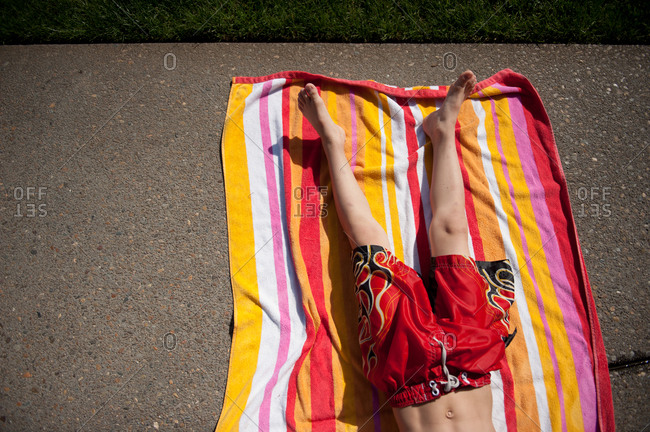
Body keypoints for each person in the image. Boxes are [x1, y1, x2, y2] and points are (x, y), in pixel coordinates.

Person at [298, 71, 511, 432]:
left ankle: (332, 141)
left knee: (366, 243)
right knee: (452, 231)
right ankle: (443, 132)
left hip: (406, 367)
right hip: (471, 359)